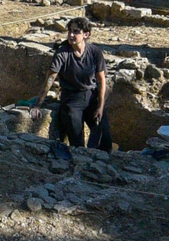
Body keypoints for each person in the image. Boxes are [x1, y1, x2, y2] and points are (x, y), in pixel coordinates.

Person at [32, 16, 112, 152]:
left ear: (86, 34)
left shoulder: (95, 52)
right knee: (77, 143)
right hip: (71, 100)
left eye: (76, 32)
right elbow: (49, 80)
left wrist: (100, 106)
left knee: (105, 139)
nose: (71, 35)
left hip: (91, 97)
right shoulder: (62, 53)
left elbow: (101, 80)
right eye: (69, 31)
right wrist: (37, 105)